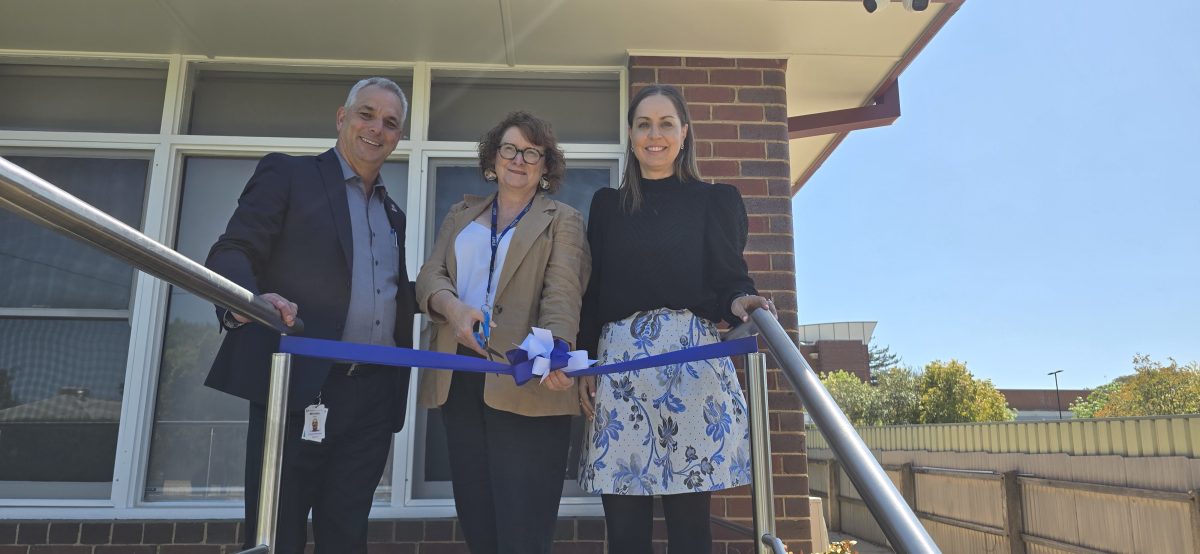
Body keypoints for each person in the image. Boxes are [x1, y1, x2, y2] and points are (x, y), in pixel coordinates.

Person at [204, 77, 415, 554]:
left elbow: (391, 295)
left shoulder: (393, 214)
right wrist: (249, 303)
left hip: (373, 400)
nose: (376, 129)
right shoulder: (289, 175)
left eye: (390, 123)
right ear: (342, 118)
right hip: (295, 389)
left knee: (346, 535)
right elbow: (231, 250)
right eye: (366, 114)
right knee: (275, 535)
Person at [576, 84, 777, 553]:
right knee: (625, 532)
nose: (655, 134)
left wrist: (742, 301)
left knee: (689, 531)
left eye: (666, 123)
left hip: (690, 369)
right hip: (620, 369)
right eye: (644, 124)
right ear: (630, 135)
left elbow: (730, 278)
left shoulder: (715, 201)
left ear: (684, 133)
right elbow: (594, 291)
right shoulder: (607, 206)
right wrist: (584, 360)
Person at [416, 111, 590, 554]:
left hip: (526, 380)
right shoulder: (461, 212)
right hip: (459, 376)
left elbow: (563, 293)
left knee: (523, 530)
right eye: (510, 149)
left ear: (546, 166)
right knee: (478, 519)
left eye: (533, 153)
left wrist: (555, 352)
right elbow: (430, 276)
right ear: (493, 157)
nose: (520, 159)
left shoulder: (562, 219)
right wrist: (452, 309)